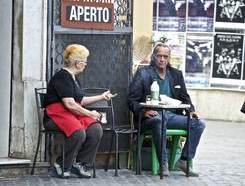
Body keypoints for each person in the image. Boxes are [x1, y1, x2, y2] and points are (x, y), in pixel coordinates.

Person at [127, 43, 205, 177]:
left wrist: (191, 111)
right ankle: (163, 164)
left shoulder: (176, 74)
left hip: (172, 116)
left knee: (199, 124)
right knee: (159, 120)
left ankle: (184, 161)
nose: (162, 59)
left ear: (169, 58)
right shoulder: (143, 73)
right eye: (159, 56)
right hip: (151, 117)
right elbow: (131, 99)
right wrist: (144, 112)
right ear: (154, 57)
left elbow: (185, 98)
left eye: (165, 56)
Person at [43, 44, 116, 179]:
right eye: (85, 61)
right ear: (77, 63)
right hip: (54, 116)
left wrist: (101, 97)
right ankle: (60, 165)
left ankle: (79, 164)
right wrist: (90, 113)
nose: (86, 65)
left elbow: (79, 101)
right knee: (78, 132)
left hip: (70, 113)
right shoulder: (62, 77)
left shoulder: (73, 78)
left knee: (95, 129)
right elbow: (69, 104)